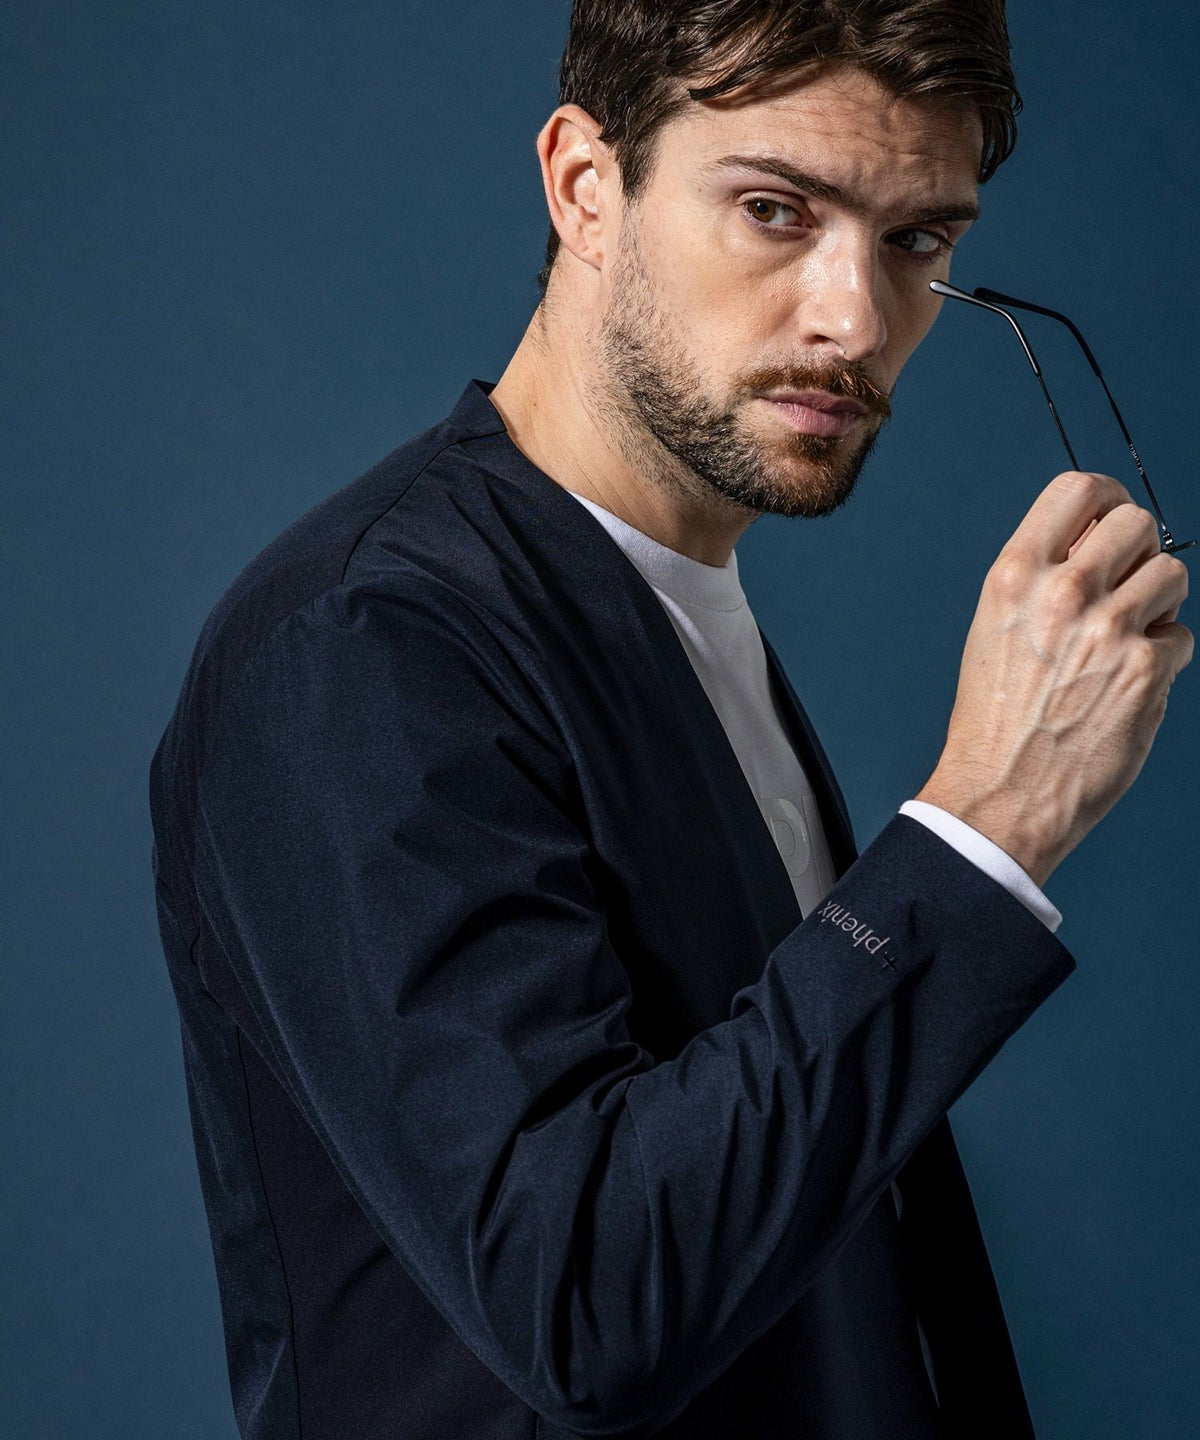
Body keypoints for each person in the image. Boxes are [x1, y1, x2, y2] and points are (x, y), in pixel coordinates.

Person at [149, 2, 1192, 1437]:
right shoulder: (364, 643)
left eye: (915, 240)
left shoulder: (670, 604)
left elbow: (819, 1208)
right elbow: (582, 1302)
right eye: (775, 210)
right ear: (587, 186)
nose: (855, 319)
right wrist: (989, 823)